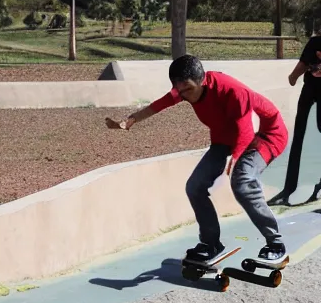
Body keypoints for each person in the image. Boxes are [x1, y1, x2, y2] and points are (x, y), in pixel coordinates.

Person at [105, 55, 289, 263]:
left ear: (202, 80)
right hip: (225, 138)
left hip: (265, 135)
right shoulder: (185, 89)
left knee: (242, 183)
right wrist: (131, 120)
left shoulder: (233, 92)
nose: (184, 96)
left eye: (187, 90)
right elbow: (160, 104)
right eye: (179, 90)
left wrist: (233, 162)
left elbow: (245, 131)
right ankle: (211, 243)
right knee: (194, 186)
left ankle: (276, 243)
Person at [268, 31, 321, 206]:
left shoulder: (316, 42)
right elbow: (307, 63)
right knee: (306, 135)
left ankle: (293, 188)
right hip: (311, 89)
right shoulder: (315, 43)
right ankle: (298, 187)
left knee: (301, 135)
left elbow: (303, 64)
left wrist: (293, 77)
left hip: (312, 90)